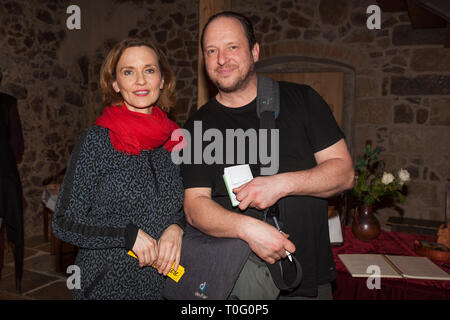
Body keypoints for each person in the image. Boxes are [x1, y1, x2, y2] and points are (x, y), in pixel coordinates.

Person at [181, 11, 354, 300]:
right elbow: (195, 207)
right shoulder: (198, 126)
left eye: (232, 47)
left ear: (255, 51)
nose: (222, 59)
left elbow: (344, 173)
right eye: (212, 51)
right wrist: (249, 229)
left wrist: (278, 184)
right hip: (235, 282)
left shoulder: (303, 100)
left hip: (307, 278)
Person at [52, 39, 185, 300]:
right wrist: (125, 234)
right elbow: (64, 223)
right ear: (115, 84)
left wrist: (176, 227)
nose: (140, 80)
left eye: (149, 70)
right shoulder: (96, 141)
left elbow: (182, 207)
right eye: (128, 71)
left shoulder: (176, 141)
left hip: (163, 287)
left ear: (162, 79)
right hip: (105, 284)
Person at [0, 68, 25, 291]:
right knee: (13, 224)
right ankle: (17, 278)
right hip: (4, 175)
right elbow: (18, 147)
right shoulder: (7, 103)